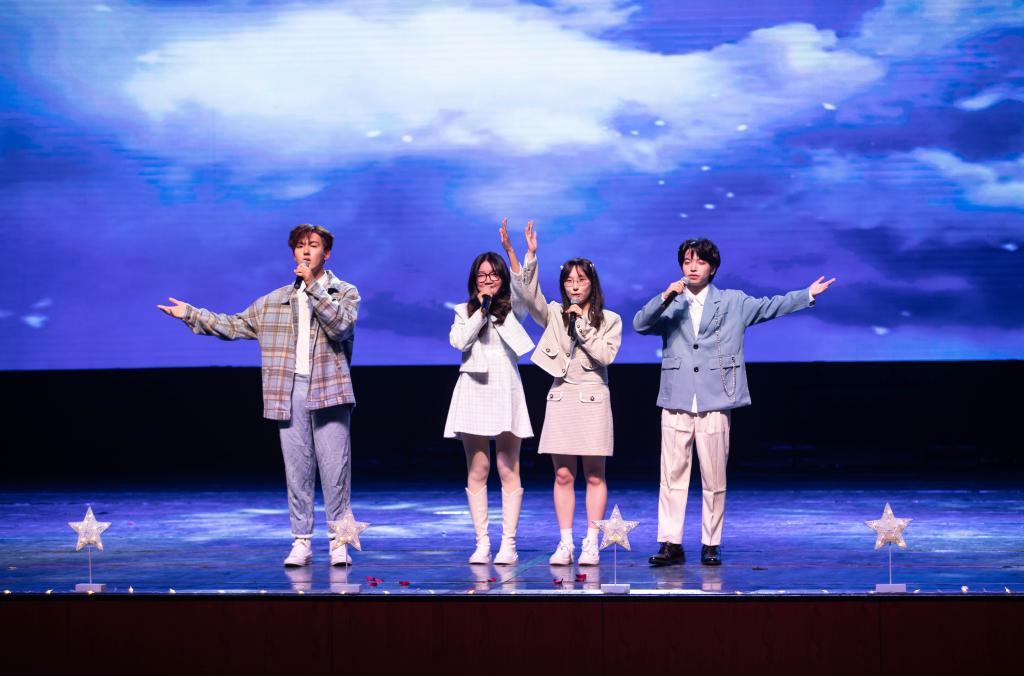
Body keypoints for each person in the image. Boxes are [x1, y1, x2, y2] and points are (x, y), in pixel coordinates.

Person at [157, 223, 359, 567]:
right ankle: (301, 541)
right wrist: (190, 314)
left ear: (326, 253)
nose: (306, 250)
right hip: (289, 390)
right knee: (298, 470)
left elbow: (340, 327)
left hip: (329, 389)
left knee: (335, 469)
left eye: (313, 245)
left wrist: (313, 286)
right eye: (300, 245)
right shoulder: (274, 302)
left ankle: (338, 541)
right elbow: (234, 324)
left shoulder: (344, 293)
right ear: (293, 253)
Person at [633, 238, 834, 566]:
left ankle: (711, 543)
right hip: (676, 395)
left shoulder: (732, 301)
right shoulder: (671, 302)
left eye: (700, 262)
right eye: (687, 261)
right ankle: (670, 542)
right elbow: (640, 324)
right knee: (671, 476)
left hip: (715, 396)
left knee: (714, 478)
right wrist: (666, 295)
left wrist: (807, 294)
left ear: (712, 268)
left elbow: (770, 306)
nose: (692, 267)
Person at [503, 220, 622, 566]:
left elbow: (604, 356)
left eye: (580, 279)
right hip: (561, 398)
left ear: (592, 283)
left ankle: (591, 542)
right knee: (563, 474)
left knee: (595, 474)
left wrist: (581, 324)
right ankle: (566, 542)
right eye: (569, 280)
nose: (574, 285)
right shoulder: (555, 313)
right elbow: (528, 296)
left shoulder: (610, 319)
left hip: (594, 399)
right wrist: (526, 254)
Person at [444, 238, 534, 565]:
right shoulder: (463, 311)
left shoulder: (513, 309)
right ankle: (482, 542)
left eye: (494, 275)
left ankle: (509, 544)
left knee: (508, 466)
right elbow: (460, 341)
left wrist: (516, 253)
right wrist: (481, 311)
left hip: (505, 387)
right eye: (482, 275)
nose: (488, 280)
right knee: (478, 466)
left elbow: (524, 286)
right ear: (474, 280)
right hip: (473, 386)